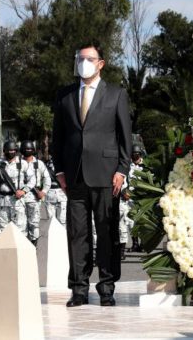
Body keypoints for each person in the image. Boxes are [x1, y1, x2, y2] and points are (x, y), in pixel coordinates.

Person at [51, 42, 132, 307]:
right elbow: (59, 137)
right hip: (74, 175)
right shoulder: (64, 95)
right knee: (77, 234)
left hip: (107, 175)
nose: (83, 62)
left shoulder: (116, 94)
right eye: (79, 58)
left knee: (107, 233)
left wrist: (122, 169)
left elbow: (124, 137)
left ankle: (107, 287)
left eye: (88, 58)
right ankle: (79, 289)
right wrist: (59, 170)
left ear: (100, 63)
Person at [0, 141, 35, 236]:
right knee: (4, 229)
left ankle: (22, 250)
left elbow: (32, 180)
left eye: (13, 150)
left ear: (16, 151)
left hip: (16, 200)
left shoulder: (22, 163)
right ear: (4, 151)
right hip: (2, 200)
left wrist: (23, 191)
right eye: (9, 150)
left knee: (20, 229)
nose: (11, 152)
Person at [21, 140, 51, 246]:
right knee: (21, 223)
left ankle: (34, 245)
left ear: (33, 150)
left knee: (34, 222)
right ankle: (24, 245)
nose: (27, 151)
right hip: (20, 196)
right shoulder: (18, 163)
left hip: (34, 196)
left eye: (29, 149)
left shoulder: (39, 163)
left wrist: (43, 191)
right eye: (25, 149)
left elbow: (47, 178)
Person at [119, 144, 145, 257]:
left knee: (137, 223)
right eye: (133, 155)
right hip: (126, 197)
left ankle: (138, 244)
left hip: (139, 198)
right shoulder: (126, 166)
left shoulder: (145, 166)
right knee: (125, 222)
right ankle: (125, 248)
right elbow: (122, 179)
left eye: (137, 155)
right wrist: (124, 191)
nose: (135, 157)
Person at [45, 157, 67, 226]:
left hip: (59, 191)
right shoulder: (64, 162)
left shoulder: (46, 165)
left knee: (56, 221)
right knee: (58, 221)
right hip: (55, 191)